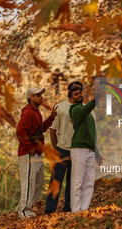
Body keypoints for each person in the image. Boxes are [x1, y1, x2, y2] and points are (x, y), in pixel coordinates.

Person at [15, 87, 57, 218]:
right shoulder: (28, 112)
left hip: (37, 152)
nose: (41, 97)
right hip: (28, 153)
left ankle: (24, 206)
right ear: (31, 97)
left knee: (39, 180)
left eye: (41, 95)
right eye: (38, 95)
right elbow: (20, 131)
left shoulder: (36, 112)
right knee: (29, 180)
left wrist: (51, 118)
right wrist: (29, 147)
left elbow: (40, 130)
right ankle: (23, 210)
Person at [44, 81, 84, 215]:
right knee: (56, 181)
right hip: (61, 149)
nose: (80, 94)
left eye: (81, 91)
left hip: (77, 150)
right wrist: (55, 149)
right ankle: (49, 210)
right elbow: (53, 130)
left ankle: (68, 209)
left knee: (73, 183)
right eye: (76, 91)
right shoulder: (60, 107)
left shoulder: (86, 109)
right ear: (70, 93)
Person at [69, 86, 104, 213]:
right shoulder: (74, 109)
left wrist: (97, 153)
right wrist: (95, 100)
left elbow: (92, 134)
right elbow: (83, 111)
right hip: (79, 149)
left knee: (89, 182)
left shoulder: (89, 114)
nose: (79, 95)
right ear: (71, 99)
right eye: (76, 94)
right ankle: (75, 211)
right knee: (77, 181)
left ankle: (84, 209)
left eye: (80, 93)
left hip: (90, 150)